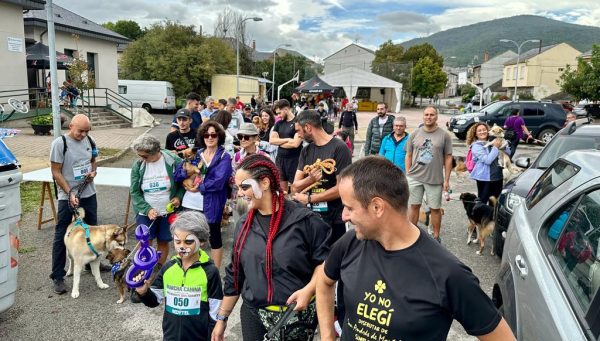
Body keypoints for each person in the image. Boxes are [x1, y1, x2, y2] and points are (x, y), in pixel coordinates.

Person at [316, 156, 516, 341]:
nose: (343, 216)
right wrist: (327, 337)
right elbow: (324, 282)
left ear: (377, 207)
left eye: (349, 208)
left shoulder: (448, 274)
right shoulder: (352, 242)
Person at [212, 154, 331, 341]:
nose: (240, 194)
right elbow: (235, 275)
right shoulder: (243, 225)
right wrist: (222, 319)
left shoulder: (305, 220)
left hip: (294, 318)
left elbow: (324, 264)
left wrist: (309, 290)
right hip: (253, 316)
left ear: (265, 183)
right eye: (237, 188)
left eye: (245, 187)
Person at [136, 210, 222, 341]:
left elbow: (216, 309)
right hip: (171, 336)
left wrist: (212, 334)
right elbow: (154, 301)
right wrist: (143, 292)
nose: (182, 247)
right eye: (177, 241)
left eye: (188, 242)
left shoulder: (210, 272)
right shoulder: (168, 268)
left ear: (202, 241)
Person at [49, 114, 103, 294]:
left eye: (87, 131)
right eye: (80, 131)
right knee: (62, 232)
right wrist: (69, 191)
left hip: (89, 192)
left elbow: (94, 161)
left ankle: (91, 263)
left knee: (92, 229)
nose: (83, 134)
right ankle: (58, 275)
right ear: (71, 126)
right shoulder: (60, 144)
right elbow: (56, 172)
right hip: (68, 195)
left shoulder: (91, 140)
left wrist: (93, 173)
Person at [292, 109, 352, 244]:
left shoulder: (339, 148)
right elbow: (295, 186)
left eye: (298, 130)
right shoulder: (306, 151)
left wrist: (309, 198)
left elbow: (341, 188)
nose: (298, 135)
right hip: (310, 217)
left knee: (333, 259)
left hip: (333, 218)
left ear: (308, 127)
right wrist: (310, 179)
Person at [179, 121, 232, 268]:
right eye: (206, 134)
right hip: (190, 202)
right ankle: (190, 267)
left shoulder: (224, 157)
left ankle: (213, 272)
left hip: (212, 203)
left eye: (213, 134)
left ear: (219, 136)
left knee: (214, 237)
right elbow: (179, 172)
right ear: (202, 136)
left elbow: (219, 181)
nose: (210, 137)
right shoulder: (196, 153)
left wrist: (199, 187)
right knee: (188, 237)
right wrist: (186, 173)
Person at [130, 134, 184, 269]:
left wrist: (178, 197)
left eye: (144, 156)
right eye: (140, 156)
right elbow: (135, 192)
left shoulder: (173, 161)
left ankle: (157, 270)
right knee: (145, 242)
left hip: (168, 211)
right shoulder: (138, 165)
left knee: (163, 241)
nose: (141, 159)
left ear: (155, 152)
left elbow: (184, 184)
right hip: (146, 212)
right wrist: (147, 209)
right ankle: (143, 269)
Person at [405, 106, 453, 243]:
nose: (429, 117)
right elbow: (408, 155)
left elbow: (448, 158)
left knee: (435, 208)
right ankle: (411, 235)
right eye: (426, 114)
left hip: (434, 178)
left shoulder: (444, 135)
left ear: (436, 116)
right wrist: (408, 173)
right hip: (415, 177)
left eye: (432, 114)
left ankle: (436, 236)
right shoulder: (415, 134)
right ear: (423, 116)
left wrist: (447, 179)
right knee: (414, 206)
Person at [466, 123, 509, 205]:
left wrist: (503, 146)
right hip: (484, 179)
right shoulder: (476, 146)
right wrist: (496, 147)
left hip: (498, 176)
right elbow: (487, 160)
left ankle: (492, 217)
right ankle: (481, 218)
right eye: (479, 131)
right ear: (475, 133)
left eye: (484, 129)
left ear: (488, 131)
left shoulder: (494, 141)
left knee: (495, 203)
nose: (482, 132)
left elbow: (508, 153)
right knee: (482, 203)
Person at [270, 99, 302, 193]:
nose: (278, 116)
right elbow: (271, 140)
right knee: (281, 191)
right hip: (280, 159)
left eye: (280, 113)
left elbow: (296, 144)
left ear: (286, 109)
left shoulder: (298, 122)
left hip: (294, 160)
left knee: (295, 190)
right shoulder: (279, 123)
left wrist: (279, 142)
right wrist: (288, 140)